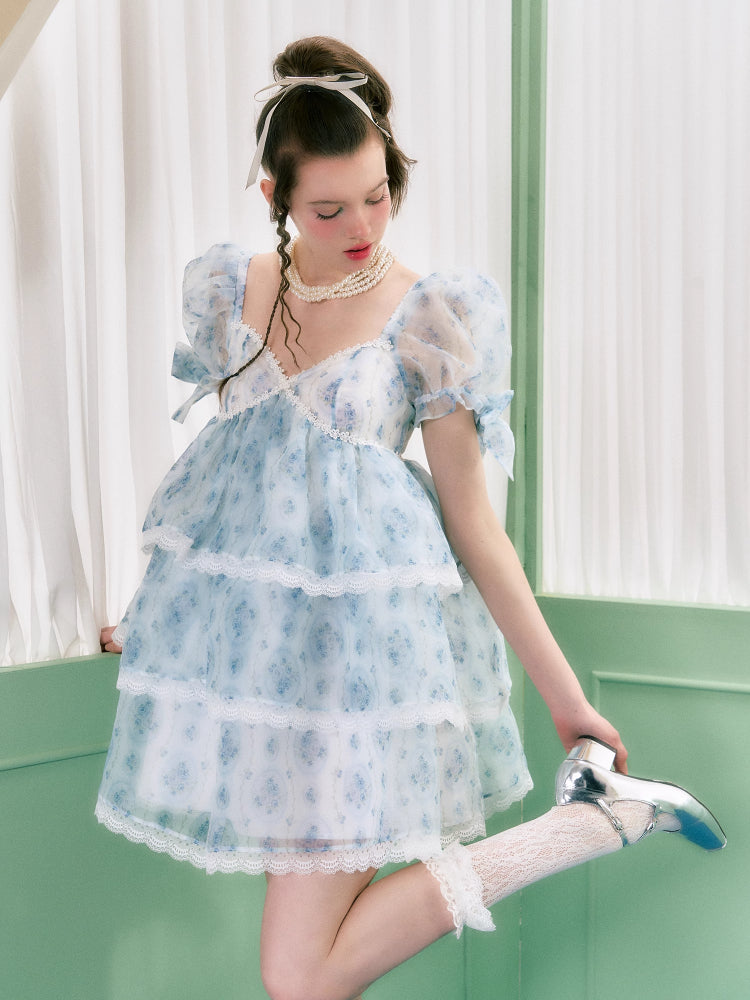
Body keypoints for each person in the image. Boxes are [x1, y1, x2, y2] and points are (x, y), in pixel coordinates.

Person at [97, 35, 725, 1000]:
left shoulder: (427, 315)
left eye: (378, 194)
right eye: (329, 208)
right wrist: (150, 619)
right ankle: (603, 818)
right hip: (271, 685)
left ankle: (601, 820)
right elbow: (220, 496)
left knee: (298, 977)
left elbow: (475, 524)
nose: (362, 225)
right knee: (307, 973)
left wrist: (568, 702)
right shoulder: (234, 295)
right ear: (273, 196)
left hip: (365, 676)